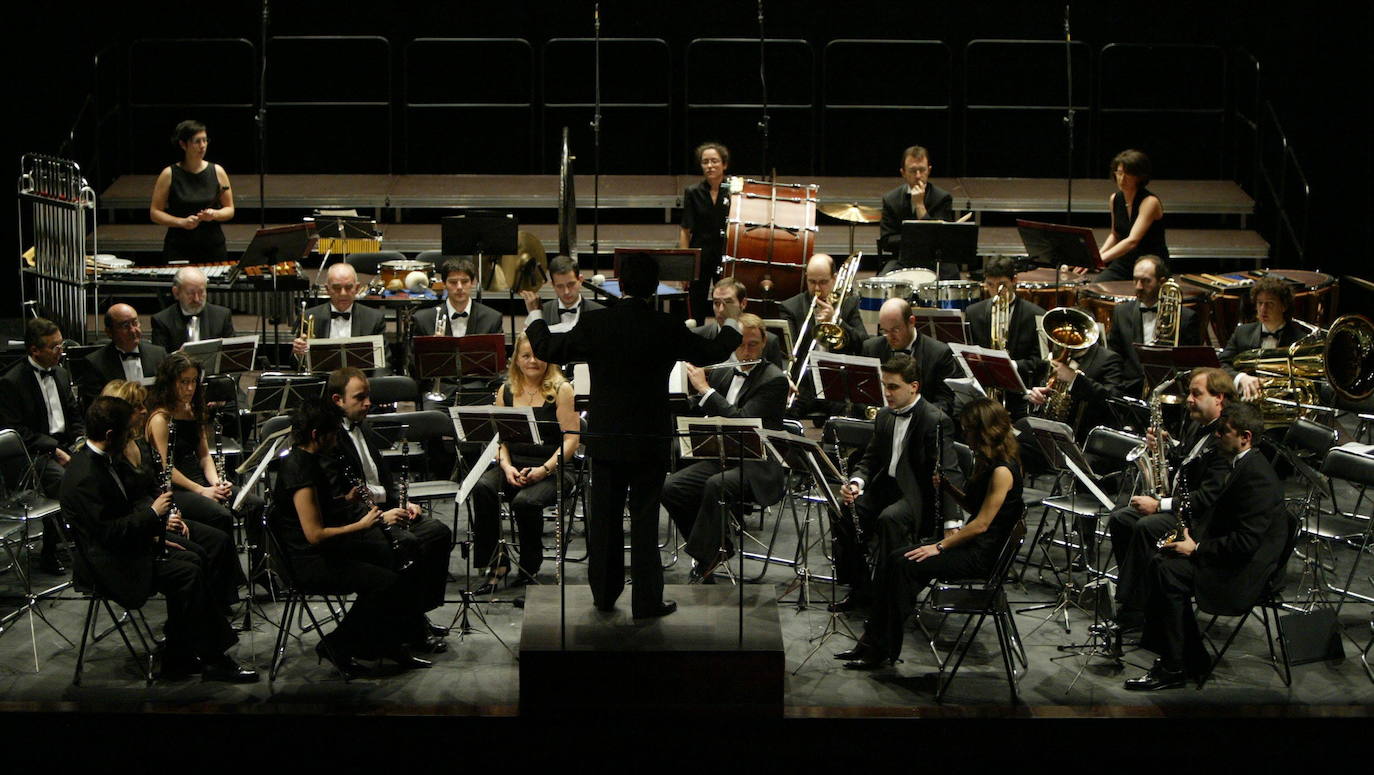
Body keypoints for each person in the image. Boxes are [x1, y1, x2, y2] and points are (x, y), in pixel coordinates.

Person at [527, 252, 740, 618]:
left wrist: (533, 311)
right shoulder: (666, 325)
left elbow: (548, 348)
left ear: (620, 284)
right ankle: (647, 601)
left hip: (606, 437)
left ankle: (604, 595)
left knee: (605, 520)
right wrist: (732, 319)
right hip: (649, 438)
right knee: (644, 522)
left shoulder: (597, 322)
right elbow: (713, 351)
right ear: (654, 287)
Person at [62, 396, 257, 682]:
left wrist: (156, 534)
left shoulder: (104, 460)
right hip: (111, 563)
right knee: (188, 570)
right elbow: (107, 534)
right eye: (126, 432)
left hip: (130, 545)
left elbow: (124, 516)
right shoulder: (85, 476)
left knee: (198, 554)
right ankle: (213, 659)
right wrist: (153, 516)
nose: (130, 438)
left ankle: (180, 654)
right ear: (110, 435)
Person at [838, 397, 1023, 670]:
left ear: (984, 431)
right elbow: (974, 506)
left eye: (968, 430)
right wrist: (948, 488)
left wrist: (938, 547)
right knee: (895, 560)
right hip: (973, 544)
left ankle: (880, 647)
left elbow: (981, 524)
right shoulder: (989, 462)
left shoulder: (1003, 471)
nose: (965, 436)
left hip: (982, 555)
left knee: (904, 566)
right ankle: (872, 641)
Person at [1125, 401, 1287, 690]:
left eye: (1224, 431)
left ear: (1245, 437)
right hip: (1228, 555)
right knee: (1159, 556)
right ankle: (1188, 657)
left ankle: (1175, 665)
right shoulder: (1243, 464)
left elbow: (1246, 543)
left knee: (1167, 571)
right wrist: (1189, 535)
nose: (1217, 435)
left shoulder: (1257, 478)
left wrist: (1197, 549)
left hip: (1243, 572)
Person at [271, 398, 434, 676]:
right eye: (333, 432)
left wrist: (348, 499)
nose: (337, 438)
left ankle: (386, 642)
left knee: (394, 558)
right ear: (316, 434)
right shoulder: (299, 470)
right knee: (386, 582)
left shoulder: (312, 460)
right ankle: (337, 645)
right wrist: (363, 524)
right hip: (307, 561)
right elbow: (315, 534)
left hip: (326, 550)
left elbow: (322, 509)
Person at [830, 354, 965, 613]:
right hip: (887, 487)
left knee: (890, 519)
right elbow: (870, 459)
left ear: (913, 387)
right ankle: (860, 589)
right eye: (884, 386)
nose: (886, 393)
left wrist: (952, 522)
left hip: (918, 494)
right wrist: (857, 483)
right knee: (844, 510)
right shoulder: (884, 415)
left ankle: (890, 599)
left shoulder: (935, 419)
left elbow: (949, 471)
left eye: (893, 387)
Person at [1105, 367, 1235, 633]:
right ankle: (1143, 599)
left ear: (1219, 398)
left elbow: (1208, 497)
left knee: (1146, 527)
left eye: (1196, 394)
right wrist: (1167, 446)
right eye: (1189, 393)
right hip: (1179, 507)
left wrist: (1159, 505)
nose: (1189, 400)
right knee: (1121, 519)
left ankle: (1132, 609)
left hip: (1198, 522)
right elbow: (1190, 461)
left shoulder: (1225, 437)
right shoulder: (1198, 424)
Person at [325, 367, 453, 633]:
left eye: (368, 396)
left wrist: (402, 504)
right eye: (359, 397)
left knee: (438, 532)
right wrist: (381, 517)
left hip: (383, 510)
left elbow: (382, 479)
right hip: (360, 522)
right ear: (338, 400)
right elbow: (338, 499)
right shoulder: (330, 439)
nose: (368, 403)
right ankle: (408, 625)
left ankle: (416, 615)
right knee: (407, 543)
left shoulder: (364, 427)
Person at [662, 314, 789, 578]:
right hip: (722, 455)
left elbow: (742, 421)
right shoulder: (724, 371)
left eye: (753, 345)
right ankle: (714, 550)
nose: (746, 352)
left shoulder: (774, 380)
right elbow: (701, 410)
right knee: (672, 487)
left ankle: (708, 555)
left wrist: (705, 390)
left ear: (764, 344)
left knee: (716, 485)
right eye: (741, 345)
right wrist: (677, 395)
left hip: (758, 465)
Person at [100, 379, 243, 611]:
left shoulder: (138, 444)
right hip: (143, 528)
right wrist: (159, 521)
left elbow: (155, 486)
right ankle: (198, 620)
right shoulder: (110, 458)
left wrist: (171, 512)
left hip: (158, 514)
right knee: (195, 555)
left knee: (219, 540)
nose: (144, 411)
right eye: (138, 407)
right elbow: (125, 506)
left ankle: (217, 607)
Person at [467, 335, 579, 593]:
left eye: (538, 355)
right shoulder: (506, 391)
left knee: (525, 502)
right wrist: (506, 467)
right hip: (514, 464)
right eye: (526, 356)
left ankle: (529, 566)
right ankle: (497, 563)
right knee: (483, 487)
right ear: (516, 359)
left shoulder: (562, 390)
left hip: (554, 468)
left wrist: (543, 470)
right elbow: (499, 440)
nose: (532, 361)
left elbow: (572, 441)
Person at [0, 317, 85, 573]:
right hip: (30, 455)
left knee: (100, 466)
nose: (60, 351)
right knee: (64, 481)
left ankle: (89, 542)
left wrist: (80, 441)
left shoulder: (61, 372)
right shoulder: (12, 382)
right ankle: (51, 551)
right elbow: (18, 432)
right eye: (53, 347)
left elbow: (74, 415)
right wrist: (54, 449)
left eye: (61, 345)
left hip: (63, 445)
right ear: (34, 350)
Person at [145, 352, 261, 537]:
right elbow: (166, 467)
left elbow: (205, 456)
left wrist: (217, 483)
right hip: (176, 489)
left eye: (193, 381)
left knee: (255, 504)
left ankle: (256, 556)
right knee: (221, 515)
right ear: (169, 383)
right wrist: (202, 491)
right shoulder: (160, 418)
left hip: (202, 481)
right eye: (184, 382)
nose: (190, 388)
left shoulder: (192, 410)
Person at [782, 254, 869, 420]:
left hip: (837, 382)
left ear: (834, 279)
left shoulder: (848, 304)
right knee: (785, 412)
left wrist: (837, 321)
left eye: (823, 282)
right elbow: (789, 351)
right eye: (812, 282)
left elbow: (864, 343)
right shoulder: (790, 307)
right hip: (804, 384)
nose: (817, 288)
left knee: (848, 416)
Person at [410, 257, 504, 407]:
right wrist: (430, 349)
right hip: (440, 391)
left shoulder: (492, 318)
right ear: (444, 284)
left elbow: (498, 367)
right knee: (431, 418)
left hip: (477, 390)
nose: (459, 287)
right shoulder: (423, 319)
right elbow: (413, 367)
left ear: (473, 283)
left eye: (465, 281)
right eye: (453, 282)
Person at [1106, 255, 1201, 398]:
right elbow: (1114, 356)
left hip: (1169, 392)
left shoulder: (1186, 318)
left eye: (1145, 281)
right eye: (1135, 280)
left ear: (1161, 282)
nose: (1138, 287)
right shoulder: (1121, 312)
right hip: (1129, 390)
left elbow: (1190, 364)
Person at [965, 256, 1048, 416]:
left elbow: (1041, 362)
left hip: (1021, 396)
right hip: (983, 393)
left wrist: (1011, 365)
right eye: (990, 285)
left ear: (1014, 280)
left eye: (1002, 284)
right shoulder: (973, 312)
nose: (996, 291)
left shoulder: (1037, 314)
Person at [1025, 320, 1129, 443]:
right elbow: (1045, 389)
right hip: (1048, 433)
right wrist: (1037, 398)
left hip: (1085, 439)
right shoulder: (1057, 354)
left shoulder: (1109, 359)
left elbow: (1113, 402)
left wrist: (1075, 379)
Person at [1218, 275, 1319, 401]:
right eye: (1260, 303)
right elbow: (1221, 364)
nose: (1263, 309)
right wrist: (1241, 378)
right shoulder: (1242, 333)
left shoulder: (1300, 341)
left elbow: (1310, 382)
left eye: (1270, 304)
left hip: (1284, 402)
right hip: (1245, 401)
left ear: (1284, 306)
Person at [149, 119, 234, 263]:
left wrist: (214, 214)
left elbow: (230, 209)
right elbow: (155, 212)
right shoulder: (169, 174)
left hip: (212, 247)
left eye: (205, 140)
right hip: (179, 247)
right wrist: (181, 222)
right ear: (183, 144)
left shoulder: (218, 171)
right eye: (197, 141)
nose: (202, 146)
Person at [862, 297, 959, 419]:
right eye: (885, 331)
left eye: (895, 330)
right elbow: (863, 395)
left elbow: (945, 403)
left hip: (921, 424)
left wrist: (914, 418)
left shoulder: (939, 353)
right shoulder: (871, 348)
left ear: (911, 322)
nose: (889, 337)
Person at [878, 145, 957, 277]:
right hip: (902, 259)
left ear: (929, 170)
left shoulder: (942, 198)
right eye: (913, 171)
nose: (918, 176)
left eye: (922, 170)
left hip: (935, 260)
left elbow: (940, 238)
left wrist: (919, 205)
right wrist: (917, 238)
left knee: (951, 277)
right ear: (903, 173)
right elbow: (887, 240)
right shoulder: (891, 200)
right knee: (883, 281)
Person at [1093, 149, 1168, 282]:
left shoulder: (1150, 202)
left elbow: (1132, 241)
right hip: (1125, 261)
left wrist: (1100, 259)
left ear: (1139, 176)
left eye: (1128, 174)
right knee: (1094, 288)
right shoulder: (1115, 199)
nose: (1122, 179)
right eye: (1119, 173)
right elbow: (1115, 234)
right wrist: (1096, 257)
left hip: (1149, 264)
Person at [292, 262, 388, 366]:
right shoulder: (310, 316)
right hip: (324, 376)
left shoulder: (374, 319)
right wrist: (299, 353)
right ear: (327, 289)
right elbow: (295, 365)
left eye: (348, 287)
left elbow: (384, 363)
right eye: (337, 288)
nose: (343, 293)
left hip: (360, 376)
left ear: (357, 288)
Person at [679, 142, 733, 324]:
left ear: (724, 164)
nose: (710, 166)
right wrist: (685, 267)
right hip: (700, 255)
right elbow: (685, 230)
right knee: (695, 305)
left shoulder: (735, 191)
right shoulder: (693, 192)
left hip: (725, 254)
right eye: (705, 162)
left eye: (714, 161)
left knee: (728, 302)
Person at [79, 303, 168, 408]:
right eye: (125, 326)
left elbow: (166, 394)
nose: (133, 330)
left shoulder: (158, 354)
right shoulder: (94, 363)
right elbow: (95, 408)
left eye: (135, 323)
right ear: (109, 332)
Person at [691, 277, 786, 371]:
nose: (721, 310)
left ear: (743, 303)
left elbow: (775, 379)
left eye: (728, 302)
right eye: (716, 303)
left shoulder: (769, 342)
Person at [150, 267, 236, 352]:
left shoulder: (222, 316)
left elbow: (232, 353)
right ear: (176, 293)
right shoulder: (162, 321)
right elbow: (159, 358)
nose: (196, 299)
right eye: (190, 293)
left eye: (201, 292)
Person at [520, 255, 605, 331]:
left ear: (580, 280)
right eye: (560, 286)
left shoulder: (600, 312)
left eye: (571, 284)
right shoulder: (540, 313)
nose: (566, 292)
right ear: (553, 285)